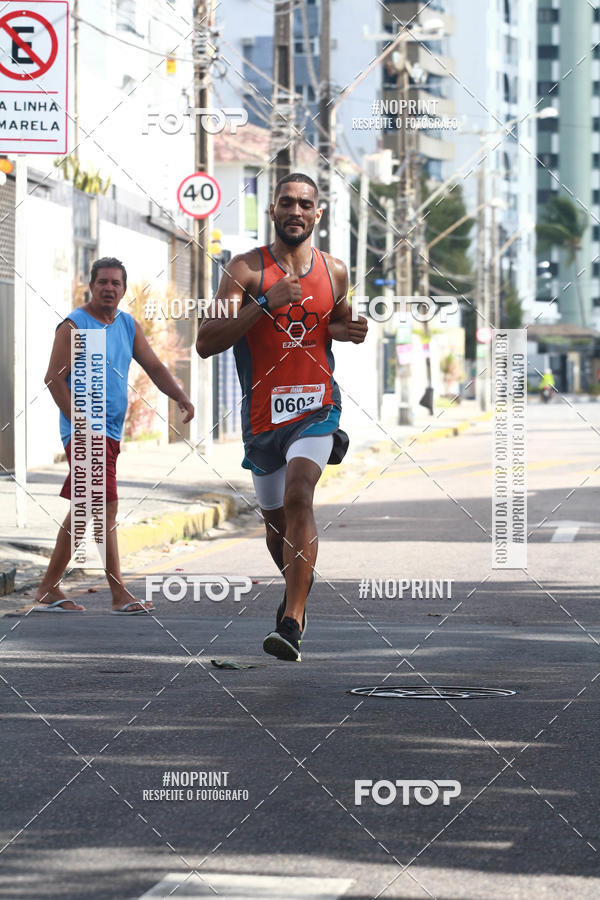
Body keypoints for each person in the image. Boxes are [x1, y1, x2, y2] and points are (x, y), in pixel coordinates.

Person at [196, 172, 368, 661]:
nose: (296, 211)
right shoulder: (245, 270)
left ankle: (292, 621)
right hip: (262, 416)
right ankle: (298, 594)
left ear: (318, 214)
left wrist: (351, 330)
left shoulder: (335, 271)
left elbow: (335, 322)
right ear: (273, 210)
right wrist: (263, 304)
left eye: (305, 204)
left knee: (299, 495)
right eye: (287, 202)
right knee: (276, 527)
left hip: (316, 405)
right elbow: (206, 341)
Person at [35, 257, 194, 614]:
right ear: (91, 286)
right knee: (105, 508)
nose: (109, 288)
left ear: (123, 290)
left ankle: (48, 587)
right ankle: (118, 592)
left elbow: (154, 366)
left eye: (115, 283)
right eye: (103, 282)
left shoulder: (127, 325)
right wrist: (79, 422)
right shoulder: (75, 326)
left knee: (84, 510)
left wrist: (180, 396)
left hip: (110, 432)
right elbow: (53, 378)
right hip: (85, 431)